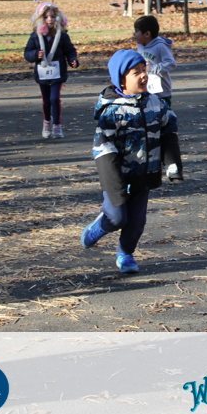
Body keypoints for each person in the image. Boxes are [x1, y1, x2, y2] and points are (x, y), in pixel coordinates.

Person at [82, 49, 183, 274]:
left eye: (144, 70)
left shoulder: (156, 104)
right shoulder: (112, 111)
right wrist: (113, 183)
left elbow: (169, 130)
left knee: (136, 222)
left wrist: (173, 164)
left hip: (144, 174)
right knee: (117, 218)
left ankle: (125, 254)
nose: (144, 75)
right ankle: (99, 226)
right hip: (119, 176)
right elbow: (103, 149)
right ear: (121, 80)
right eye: (136, 72)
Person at [23, 2, 80, 139]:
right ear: (40, 19)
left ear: (58, 18)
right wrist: (36, 54)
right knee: (46, 100)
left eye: (52, 17)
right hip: (42, 72)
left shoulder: (62, 35)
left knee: (54, 98)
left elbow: (69, 50)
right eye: (46, 17)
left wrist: (73, 60)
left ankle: (57, 126)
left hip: (57, 72)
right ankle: (47, 122)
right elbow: (27, 53)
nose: (50, 20)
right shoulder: (35, 36)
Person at [133, 14, 177, 110]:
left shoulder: (160, 46)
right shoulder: (140, 46)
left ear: (147, 34)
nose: (134, 34)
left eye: (136, 31)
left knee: (163, 115)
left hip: (161, 92)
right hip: (146, 89)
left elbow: (171, 64)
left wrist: (152, 68)